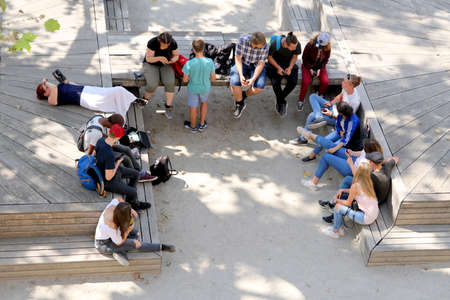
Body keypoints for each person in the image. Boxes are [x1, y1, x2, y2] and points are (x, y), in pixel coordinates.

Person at [321, 150, 398, 224]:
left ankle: (334, 211)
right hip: (375, 195)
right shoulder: (387, 167)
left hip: (374, 200)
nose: (368, 162)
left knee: (350, 193)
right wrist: (383, 162)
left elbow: (357, 181)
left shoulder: (373, 177)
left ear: (373, 163)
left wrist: (351, 164)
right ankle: (332, 204)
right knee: (348, 180)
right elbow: (396, 159)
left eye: (369, 161)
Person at [95, 197, 175, 266]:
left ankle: (120, 252)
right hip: (104, 244)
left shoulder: (115, 206)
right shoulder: (111, 226)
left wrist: (131, 210)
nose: (130, 215)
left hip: (114, 236)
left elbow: (118, 198)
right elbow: (119, 242)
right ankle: (162, 247)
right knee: (136, 243)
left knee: (136, 233)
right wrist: (129, 229)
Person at [82, 114, 157, 183]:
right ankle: (139, 175)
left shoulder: (98, 117)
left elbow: (100, 134)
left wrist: (110, 139)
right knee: (124, 157)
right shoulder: (96, 133)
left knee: (126, 149)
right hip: (97, 152)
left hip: (101, 143)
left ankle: (138, 170)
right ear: (113, 126)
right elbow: (90, 153)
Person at [290, 74, 362, 145]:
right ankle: (318, 116)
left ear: (351, 86)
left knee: (311, 116)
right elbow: (340, 95)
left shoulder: (354, 102)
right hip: (333, 107)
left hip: (336, 118)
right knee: (313, 96)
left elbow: (346, 118)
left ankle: (303, 138)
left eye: (344, 82)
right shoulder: (347, 88)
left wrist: (331, 114)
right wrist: (331, 103)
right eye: (343, 80)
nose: (342, 82)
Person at [95, 124, 150, 211]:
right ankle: (134, 204)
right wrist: (118, 163)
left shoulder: (101, 140)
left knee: (136, 174)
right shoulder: (109, 155)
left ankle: (130, 198)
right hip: (108, 182)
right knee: (134, 192)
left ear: (110, 132)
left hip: (106, 168)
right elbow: (108, 177)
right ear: (118, 137)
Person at [36, 78, 147, 120]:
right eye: (45, 88)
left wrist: (66, 82)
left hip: (87, 90)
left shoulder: (56, 87)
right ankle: (122, 115)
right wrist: (45, 83)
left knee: (118, 90)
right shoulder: (51, 99)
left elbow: (72, 85)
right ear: (45, 94)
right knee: (115, 92)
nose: (48, 86)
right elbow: (53, 87)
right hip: (85, 98)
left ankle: (134, 100)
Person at [297, 101, 364, 168]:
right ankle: (312, 156)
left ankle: (325, 164)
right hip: (340, 133)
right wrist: (340, 131)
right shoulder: (341, 115)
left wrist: (334, 149)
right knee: (323, 140)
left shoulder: (353, 121)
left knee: (330, 149)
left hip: (349, 141)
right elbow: (337, 124)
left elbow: (346, 139)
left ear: (342, 112)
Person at [322, 163, 379, 238]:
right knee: (340, 206)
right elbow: (357, 191)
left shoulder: (356, 185)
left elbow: (348, 203)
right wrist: (344, 190)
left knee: (338, 207)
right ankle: (340, 228)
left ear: (358, 172)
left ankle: (335, 232)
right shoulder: (368, 183)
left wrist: (337, 200)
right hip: (374, 214)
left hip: (366, 217)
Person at [305, 138, 382, 190]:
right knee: (333, 147)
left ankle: (313, 183)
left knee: (326, 157)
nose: (363, 148)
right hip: (354, 160)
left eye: (365, 148)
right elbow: (361, 153)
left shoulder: (368, 163)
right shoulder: (372, 151)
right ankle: (312, 136)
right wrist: (352, 152)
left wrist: (351, 163)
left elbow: (357, 176)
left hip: (351, 169)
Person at [230, 32, 269, 119]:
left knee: (259, 87)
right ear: (253, 44)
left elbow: (261, 64)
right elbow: (238, 59)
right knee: (234, 83)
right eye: (260, 46)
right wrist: (240, 75)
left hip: (256, 65)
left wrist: (253, 79)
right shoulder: (242, 41)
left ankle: (244, 95)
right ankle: (239, 104)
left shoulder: (265, 46)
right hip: (242, 63)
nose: (263, 47)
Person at [142, 32, 179, 119]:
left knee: (170, 82)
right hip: (151, 64)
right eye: (164, 44)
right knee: (152, 84)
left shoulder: (173, 43)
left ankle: (168, 106)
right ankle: (144, 100)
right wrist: (160, 58)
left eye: (167, 45)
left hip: (165, 64)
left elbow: (176, 55)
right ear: (159, 40)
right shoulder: (152, 42)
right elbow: (148, 59)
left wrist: (173, 60)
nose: (166, 47)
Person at [182, 38, 216, 132]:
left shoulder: (189, 63)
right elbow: (213, 78)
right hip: (205, 87)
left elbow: (185, 80)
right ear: (204, 48)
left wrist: (189, 77)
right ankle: (201, 124)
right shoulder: (210, 62)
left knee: (193, 107)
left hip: (193, 88)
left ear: (193, 49)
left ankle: (192, 127)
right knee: (204, 103)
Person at [266, 32, 301, 117]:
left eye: (295, 47)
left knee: (293, 81)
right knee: (275, 82)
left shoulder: (296, 44)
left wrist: (290, 67)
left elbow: (295, 56)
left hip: (288, 62)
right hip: (275, 62)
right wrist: (278, 68)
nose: (295, 48)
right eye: (292, 48)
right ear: (285, 44)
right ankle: (282, 102)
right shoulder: (275, 44)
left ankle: (279, 99)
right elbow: (269, 57)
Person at [297, 32, 331, 112]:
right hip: (308, 65)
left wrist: (320, 69)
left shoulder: (327, 48)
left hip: (319, 66)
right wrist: (310, 69)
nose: (319, 47)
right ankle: (301, 100)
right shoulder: (310, 45)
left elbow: (326, 60)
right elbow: (304, 59)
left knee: (325, 82)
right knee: (306, 81)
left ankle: (318, 95)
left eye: (322, 46)